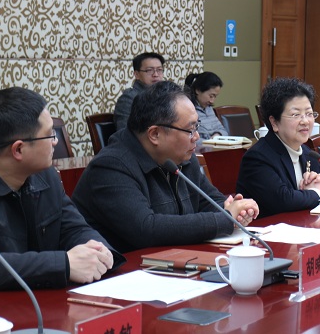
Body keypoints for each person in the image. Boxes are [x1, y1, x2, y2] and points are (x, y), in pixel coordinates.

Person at [0, 87, 124, 299]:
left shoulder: (44, 175)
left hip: (38, 301)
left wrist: (98, 251)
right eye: (49, 135)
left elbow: (73, 227)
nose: (56, 142)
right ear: (18, 149)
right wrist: (63, 265)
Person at [72, 81, 259, 253]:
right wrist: (225, 218)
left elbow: (208, 200)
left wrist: (234, 209)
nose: (196, 137)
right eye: (190, 129)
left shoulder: (182, 157)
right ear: (154, 134)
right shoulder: (110, 167)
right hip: (124, 272)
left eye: (197, 127)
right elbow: (146, 229)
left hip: (172, 262)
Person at [236, 77, 320, 218]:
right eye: (296, 115)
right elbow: (284, 200)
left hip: (302, 226)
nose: (305, 121)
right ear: (274, 122)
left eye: (309, 114)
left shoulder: (307, 154)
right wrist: (315, 193)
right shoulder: (258, 157)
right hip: (266, 230)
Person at [114, 52, 165, 130]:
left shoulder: (166, 96)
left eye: (159, 70)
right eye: (149, 70)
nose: (155, 74)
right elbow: (125, 132)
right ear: (136, 74)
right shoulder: (129, 99)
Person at [184, 71, 228, 144]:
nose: (212, 101)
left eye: (215, 96)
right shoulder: (188, 109)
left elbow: (223, 130)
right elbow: (188, 138)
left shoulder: (209, 109)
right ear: (198, 90)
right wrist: (209, 143)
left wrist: (218, 135)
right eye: (211, 96)